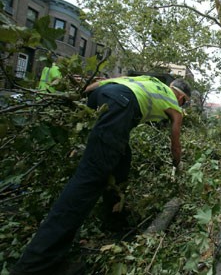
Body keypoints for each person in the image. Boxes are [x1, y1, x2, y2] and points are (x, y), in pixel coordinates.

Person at [11, 75, 191, 275]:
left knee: (122, 158)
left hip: (101, 95)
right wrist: (177, 162)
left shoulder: (150, 80)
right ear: (182, 98)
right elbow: (175, 143)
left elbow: (110, 80)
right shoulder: (175, 106)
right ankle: (37, 264)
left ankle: (114, 219)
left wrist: (83, 93)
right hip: (121, 105)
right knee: (91, 178)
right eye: (185, 103)